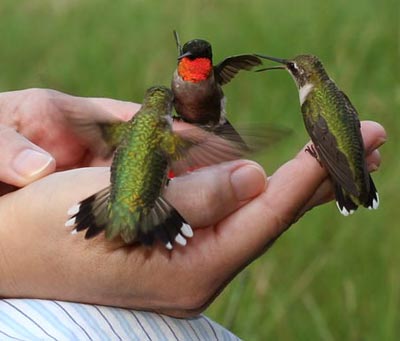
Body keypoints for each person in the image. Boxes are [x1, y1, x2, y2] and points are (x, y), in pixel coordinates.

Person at [0, 88, 386, 340]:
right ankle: (148, 218)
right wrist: (14, 244)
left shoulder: (123, 131)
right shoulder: (169, 137)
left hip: (116, 188)